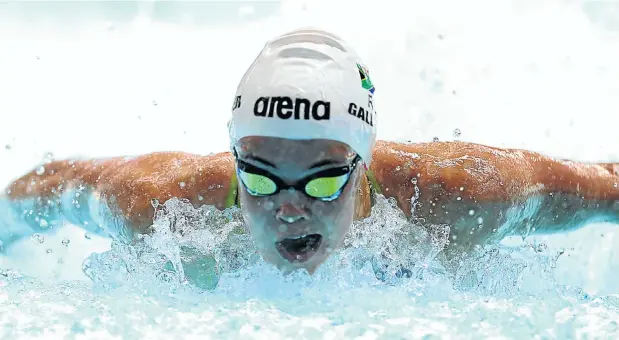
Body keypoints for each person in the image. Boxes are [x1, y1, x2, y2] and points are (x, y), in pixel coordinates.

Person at [1, 28, 619, 278]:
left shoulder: (459, 196)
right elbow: (52, 187)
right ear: (235, 159)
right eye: (262, 181)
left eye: (323, 183)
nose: (288, 209)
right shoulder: (162, 209)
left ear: (363, 166)